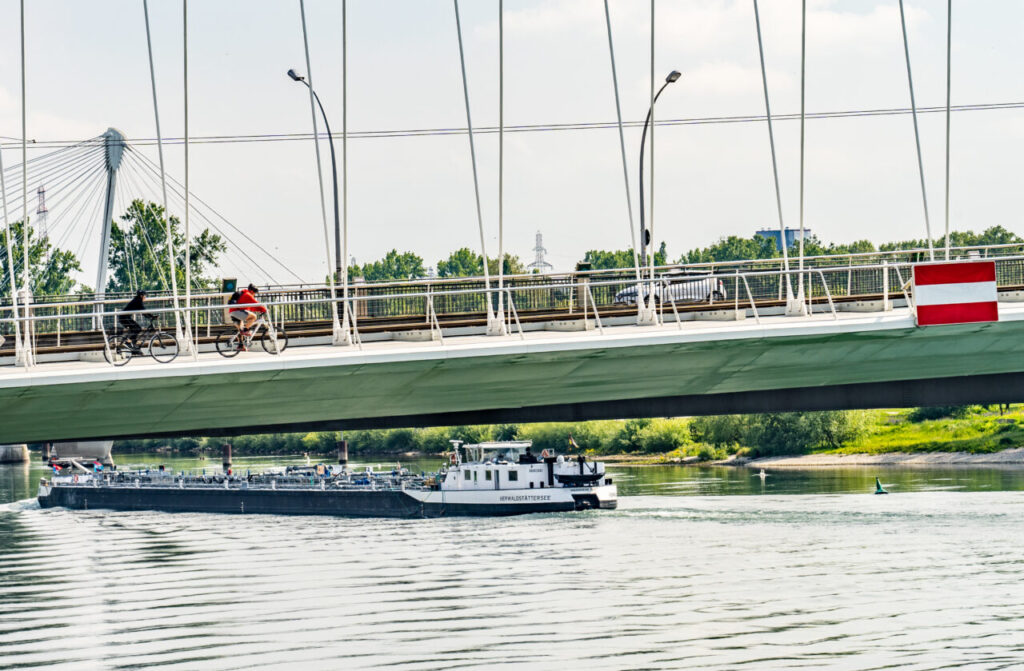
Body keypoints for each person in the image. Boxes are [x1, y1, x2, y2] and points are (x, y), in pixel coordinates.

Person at [228, 283, 266, 351]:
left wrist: (260, 310)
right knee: (254, 317)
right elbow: (256, 304)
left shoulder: (244, 294)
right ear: (252, 291)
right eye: (255, 293)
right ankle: (246, 330)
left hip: (232, 312)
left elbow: (251, 307)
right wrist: (264, 309)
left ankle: (240, 346)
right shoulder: (248, 295)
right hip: (236, 311)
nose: (254, 294)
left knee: (240, 329)